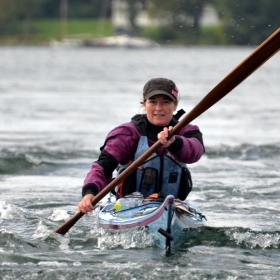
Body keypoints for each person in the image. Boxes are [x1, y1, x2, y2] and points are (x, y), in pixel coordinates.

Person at [78, 78, 205, 213]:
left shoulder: (188, 131)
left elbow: (195, 152)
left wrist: (175, 142)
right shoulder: (127, 134)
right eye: (153, 102)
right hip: (129, 208)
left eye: (166, 102)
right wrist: (89, 192)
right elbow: (103, 167)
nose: (158, 108)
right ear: (144, 104)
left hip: (173, 207)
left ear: (175, 105)